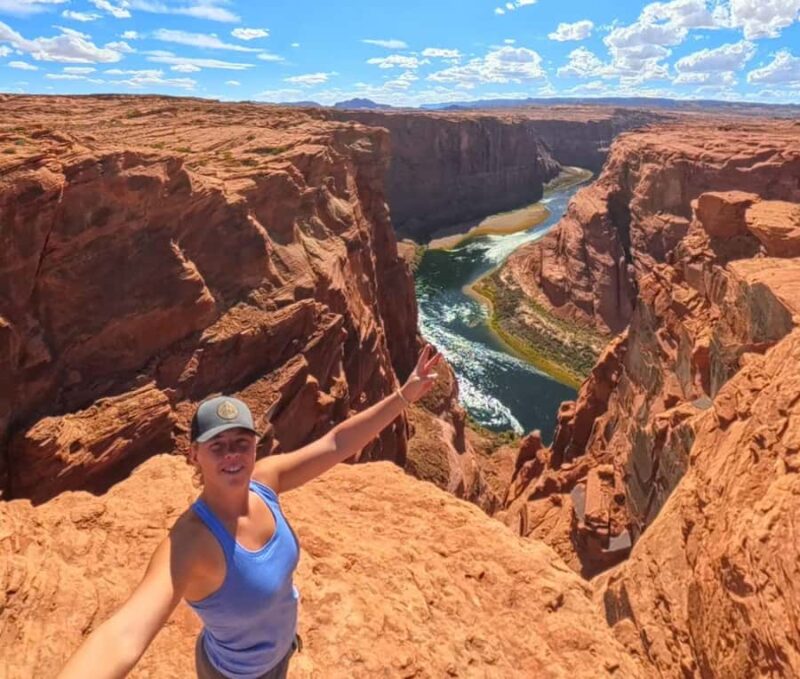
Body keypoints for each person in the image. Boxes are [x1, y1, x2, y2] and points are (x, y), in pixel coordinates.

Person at [57, 344, 442, 679]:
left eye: (242, 442)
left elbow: (336, 443)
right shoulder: (191, 543)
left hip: (279, 654)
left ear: (256, 447)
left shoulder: (266, 481)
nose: (232, 456)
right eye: (217, 445)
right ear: (194, 454)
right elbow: (123, 636)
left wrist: (404, 396)